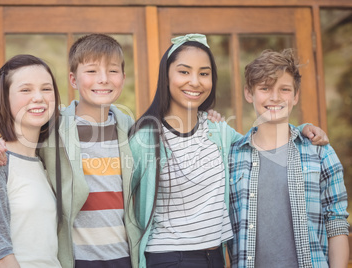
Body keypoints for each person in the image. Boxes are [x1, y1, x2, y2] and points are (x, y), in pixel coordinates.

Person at [128, 34, 329, 268]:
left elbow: (260, 141)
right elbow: (122, 205)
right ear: (166, 76)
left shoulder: (218, 130)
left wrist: (304, 131)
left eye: (204, 74)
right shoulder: (145, 137)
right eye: (184, 72)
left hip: (215, 257)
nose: (195, 81)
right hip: (170, 257)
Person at [0, 34, 140, 268]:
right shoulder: (54, 129)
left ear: (124, 78)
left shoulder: (131, 131)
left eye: (46, 89)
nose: (103, 79)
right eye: (92, 71)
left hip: (122, 257)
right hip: (75, 259)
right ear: (72, 80)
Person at [227, 49, 349, 268]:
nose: (275, 97)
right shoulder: (232, 157)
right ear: (249, 93)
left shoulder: (320, 152)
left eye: (284, 89)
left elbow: (336, 223)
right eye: (264, 88)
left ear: (295, 96)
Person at [0, 54, 62, 267]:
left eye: (46, 89)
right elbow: (0, 253)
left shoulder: (43, 163)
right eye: (25, 90)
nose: (38, 97)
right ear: (4, 98)